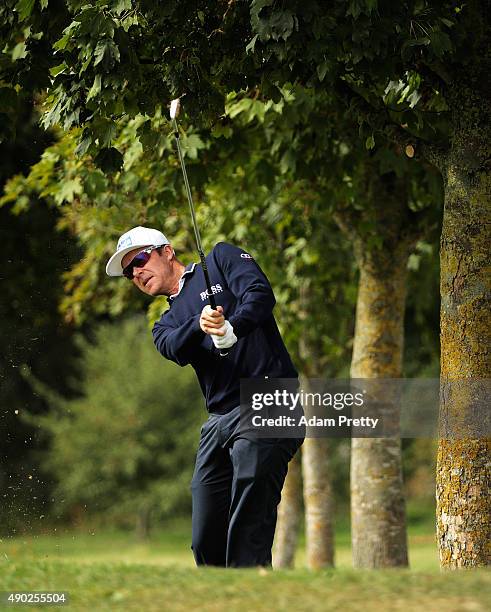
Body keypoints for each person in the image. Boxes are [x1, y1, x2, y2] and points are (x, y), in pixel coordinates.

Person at [106, 226, 303, 567]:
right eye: (128, 271)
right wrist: (202, 324)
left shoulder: (220, 259)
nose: (136, 272)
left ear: (167, 252)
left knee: (250, 495)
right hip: (219, 421)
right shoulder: (164, 324)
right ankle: (219, 593)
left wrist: (233, 327)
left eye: (139, 258)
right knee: (205, 537)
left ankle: (250, 590)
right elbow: (173, 347)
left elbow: (259, 294)